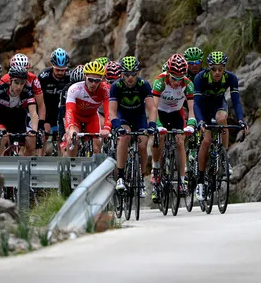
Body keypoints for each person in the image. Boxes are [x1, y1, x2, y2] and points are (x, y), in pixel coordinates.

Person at [193, 51, 249, 201]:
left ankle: (223, 156)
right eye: (214, 69)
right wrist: (199, 121)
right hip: (203, 109)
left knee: (223, 118)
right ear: (209, 68)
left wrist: (241, 120)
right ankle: (200, 183)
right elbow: (196, 104)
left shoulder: (231, 78)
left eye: (220, 69)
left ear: (225, 68)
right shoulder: (200, 78)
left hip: (218, 105)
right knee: (205, 141)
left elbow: (236, 102)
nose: (217, 72)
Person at [150, 54, 196, 201]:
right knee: (160, 137)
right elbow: (153, 108)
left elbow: (192, 110)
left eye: (180, 78)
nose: (177, 82)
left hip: (176, 113)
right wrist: (157, 125)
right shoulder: (160, 82)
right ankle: (156, 168)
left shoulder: (188, 84)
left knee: (180, 141)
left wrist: (191, 124)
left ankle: (183, 180)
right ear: (168, 73)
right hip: (160, 113)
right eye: (174, 78)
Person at [110, 56, 157, 198]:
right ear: (121, 74)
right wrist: (117, 126)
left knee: (143, 145)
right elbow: (112, 111)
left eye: (133, 74)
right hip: (123, 116)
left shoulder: (143, 85)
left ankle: (141, 180)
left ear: (138, 73)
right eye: (126, 74)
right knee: (124, 138)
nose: (130, 78)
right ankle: (121, 177)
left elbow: (152, 108)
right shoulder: (116, 86)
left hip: (139, 117)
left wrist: (152, 125)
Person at [64, 61, 111, 157]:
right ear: (85, 76)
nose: (93, 84)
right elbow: (69, 111)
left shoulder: (105, 89)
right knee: (72, 141)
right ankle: (71, 166)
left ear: (101, 79)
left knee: (96, 148)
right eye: (90, 80)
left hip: (92, 117)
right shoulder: (75, 89)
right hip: (76, 117)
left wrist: (106, 128)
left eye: (97, 81)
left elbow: (108, 111)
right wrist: (71, 128)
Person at [0, 66, 39, 157]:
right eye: (16, 83)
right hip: (2, 119)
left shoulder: (28, 91)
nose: (19, 87)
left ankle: (24, 162)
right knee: (2, 137)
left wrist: (34, 130)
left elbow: (33, 113)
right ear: (10, 81)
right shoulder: (0, 90)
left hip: (18, 120)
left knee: (32, 141)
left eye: (22, 83)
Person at [0, 53, 46, 139]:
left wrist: (41, 124)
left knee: (30, 140)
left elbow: (40, 105)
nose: (21, 74)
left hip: (24, 110)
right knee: (3, 138)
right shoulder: (4, 80)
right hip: (7, 109)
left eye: (25, 70)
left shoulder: (33, 80)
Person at [38, 48, 71, 156]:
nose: (61, 72)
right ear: (52, 65)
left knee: (62, 136)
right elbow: (39, 100)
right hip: (47, 109)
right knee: (44, 134)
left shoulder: (70, 76)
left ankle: (63, 162)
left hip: (63, 109)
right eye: (57, 70)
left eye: (63, 70)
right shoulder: (43, 77)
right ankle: (39, 159)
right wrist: (43, 121)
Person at [57, 65, 84, 155]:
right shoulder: (67, 90)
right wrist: (67, 131)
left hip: (83, 115)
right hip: (67, 115)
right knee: (66, 147)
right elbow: (65, 113)